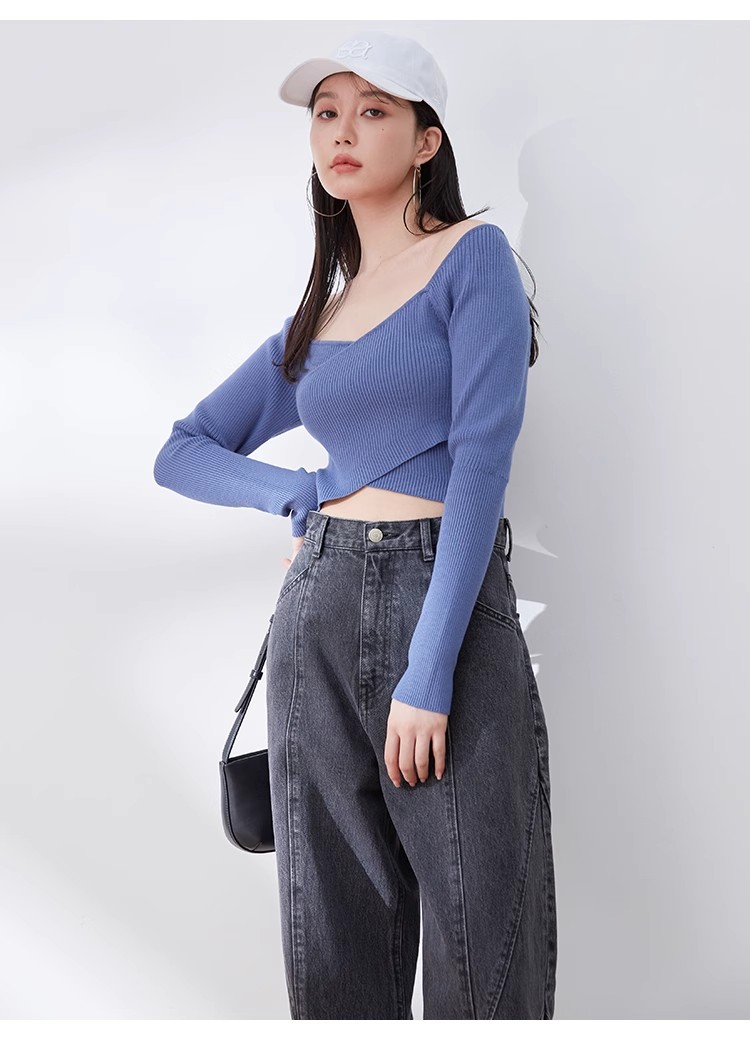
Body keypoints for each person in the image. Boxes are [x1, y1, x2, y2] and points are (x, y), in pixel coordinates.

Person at [154, 28, 557, 1021]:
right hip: (319, 607)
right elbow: (183, 449)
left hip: (442, 598)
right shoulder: (321, 317)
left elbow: (482, 461)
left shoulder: (473, 258)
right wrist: (293, 495)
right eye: (326, 113)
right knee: (334, 941)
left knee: (482, 937)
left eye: (373, 111)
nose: (342, 131)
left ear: (425, 141)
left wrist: (429, 671)